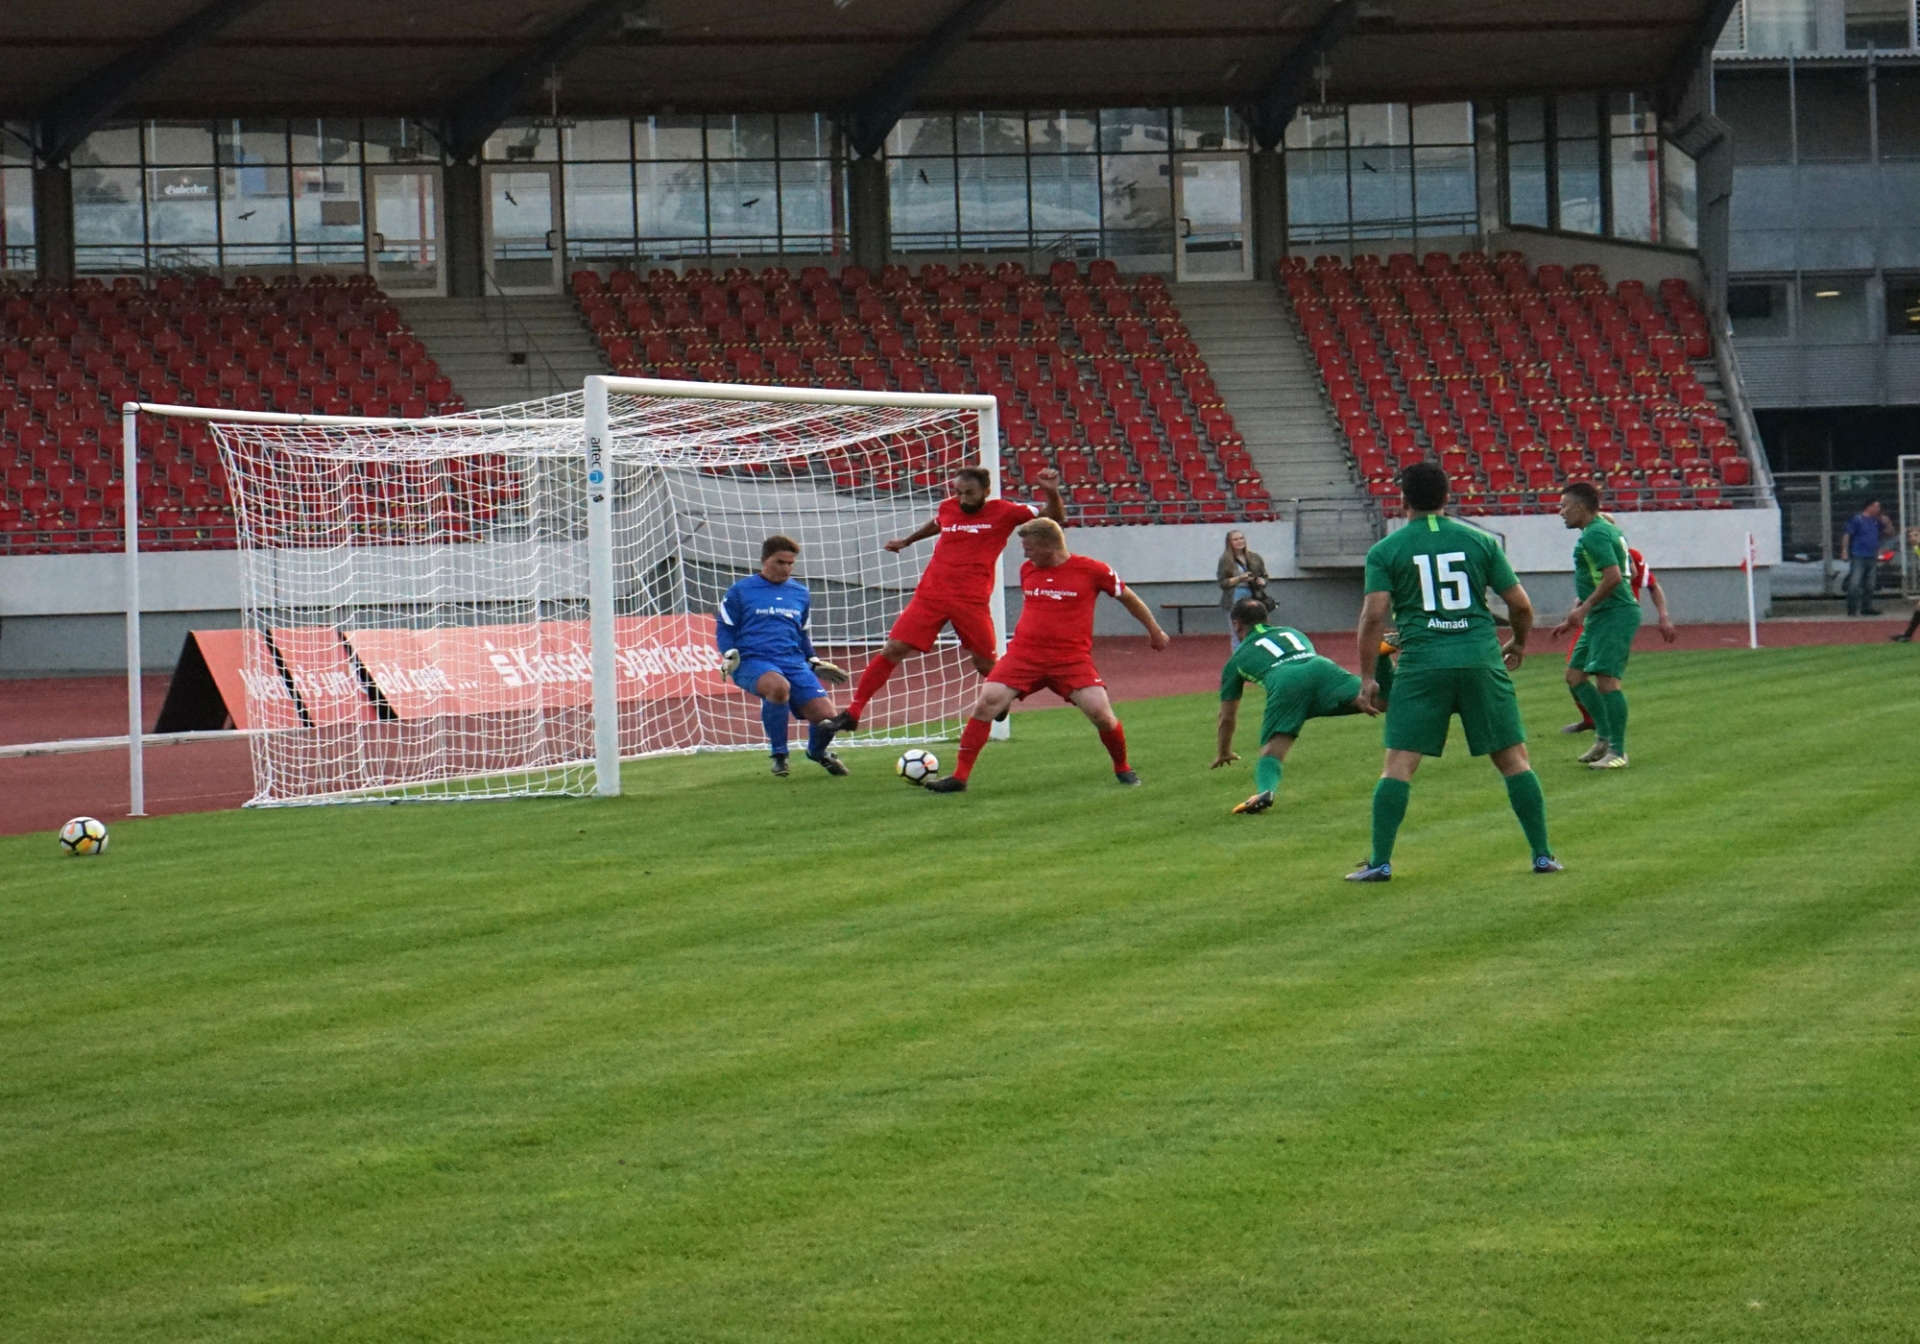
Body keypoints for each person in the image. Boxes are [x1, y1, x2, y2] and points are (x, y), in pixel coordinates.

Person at [1348, 460, 1559, 881]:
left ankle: (1380, 862)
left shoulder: (1386, 550)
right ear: (1447, 497)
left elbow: (1373, 617)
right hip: (1480, 659)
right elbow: (1520, 606)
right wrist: (1519, 642)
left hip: (1422, 664)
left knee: (1399, 765)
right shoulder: (1480, 541)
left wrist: (1368, 676)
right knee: (1513, 760)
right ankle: (1542, 855)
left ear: (1403, 500)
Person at [925, 517, 1170, 793]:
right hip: (1024, 656)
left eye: (1029, 548)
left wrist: (1155, 631)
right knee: (986, 703)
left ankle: (1122, 767)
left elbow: (1128, 597)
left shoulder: (1093, 570)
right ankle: (959, 777)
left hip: (1070, 660)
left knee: (1102, 715)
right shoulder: (1028, 570)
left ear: (1049, 547)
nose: (1025, 555)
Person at [829, 466, 1065, 732]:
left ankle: (1003, 695)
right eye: (958, 492)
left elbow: (1054, 519)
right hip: (931, 595)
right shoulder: (949, 507)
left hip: (971, 600)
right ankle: (853, 712)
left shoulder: (1006, 511)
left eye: (969, 493)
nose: (962, 498)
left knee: (985, 664)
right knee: (893, 648)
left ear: (986, 491)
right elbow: (938, 523)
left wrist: (1051, 492)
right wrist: (907, 541)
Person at [1211, 597, 1387, 815]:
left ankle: (1265, 791)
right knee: (1380, 701)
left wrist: (1224, 751)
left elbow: (1227, 716)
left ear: (1236, 625)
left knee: (1273, 749)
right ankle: (1383, 656)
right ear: (1267, 619)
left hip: (1285, 682)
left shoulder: (1235, 661)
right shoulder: (1292, 632)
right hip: (1321, 667)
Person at [716, 535, 853, 778]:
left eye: (791, 563)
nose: (786, 569)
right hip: (751, 661)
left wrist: (813, 662)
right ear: (764, 560)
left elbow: (801, 634)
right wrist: (729, 654)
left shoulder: (800, 593)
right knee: (778, 687)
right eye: (780, 562)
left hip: (793, 662)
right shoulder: (740, 591)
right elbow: (725, 628)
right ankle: (780, 755)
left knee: (828, 717)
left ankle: (817, 753)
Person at [1549, 483, 1641, 770]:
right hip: (1601, 613)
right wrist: (1582, 607)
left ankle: (1618, 751)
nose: (1560, 512)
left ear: (1581, 507)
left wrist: (1584, 607)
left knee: (1606, 680)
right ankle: (1604, 738)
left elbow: (1614, 576)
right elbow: (1630, 570)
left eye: (1564, 506)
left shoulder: (1595, 534)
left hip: (1613, 614)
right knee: (1575, 676)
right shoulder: (1605, 529)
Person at [1561, 533, 1676, 734]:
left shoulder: (1630, 556)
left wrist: (1663, 616)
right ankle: (1593, 720)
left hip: (1614, 620)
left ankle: (1611, 738)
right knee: (1574, 674)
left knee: (1606, 678)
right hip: (1593, 619)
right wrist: (1572, 617)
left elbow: (1651, 585)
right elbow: (1586, 594)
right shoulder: (1590, 553)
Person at [1216, 530, 1270, 647]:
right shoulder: (1225, 560)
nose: (1239, 541)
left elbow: (1265, 576)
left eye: (1241, 538)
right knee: (1237, 633)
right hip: (1234, 597)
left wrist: (1263, 581)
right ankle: (1239, 656)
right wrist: (1239, 578)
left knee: (1258, 630)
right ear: (1229, 542)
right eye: (1235, 539)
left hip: (1254, 596)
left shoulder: (1255, 557)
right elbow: (1223, 583)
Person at [1842, 500, 1893, 618]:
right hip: (1859, 555)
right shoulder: (1857, 519)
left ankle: (1866, 607)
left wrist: (1887, 523)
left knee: (1870, 584)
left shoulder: (1876, 521)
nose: (1878, 509)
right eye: (1876, 506)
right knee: (1855, 583)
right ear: (1869, 507)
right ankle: (1852, 608)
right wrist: (1844, 551)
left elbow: (1888, 532)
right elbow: (1847, 534)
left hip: (1872, 555)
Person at [1893, 529, 1920, 642]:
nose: (1911, 538)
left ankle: (1907, 635)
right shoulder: (1916, 548)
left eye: (1915, 535)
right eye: (1910, 536)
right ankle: (1907, 635)